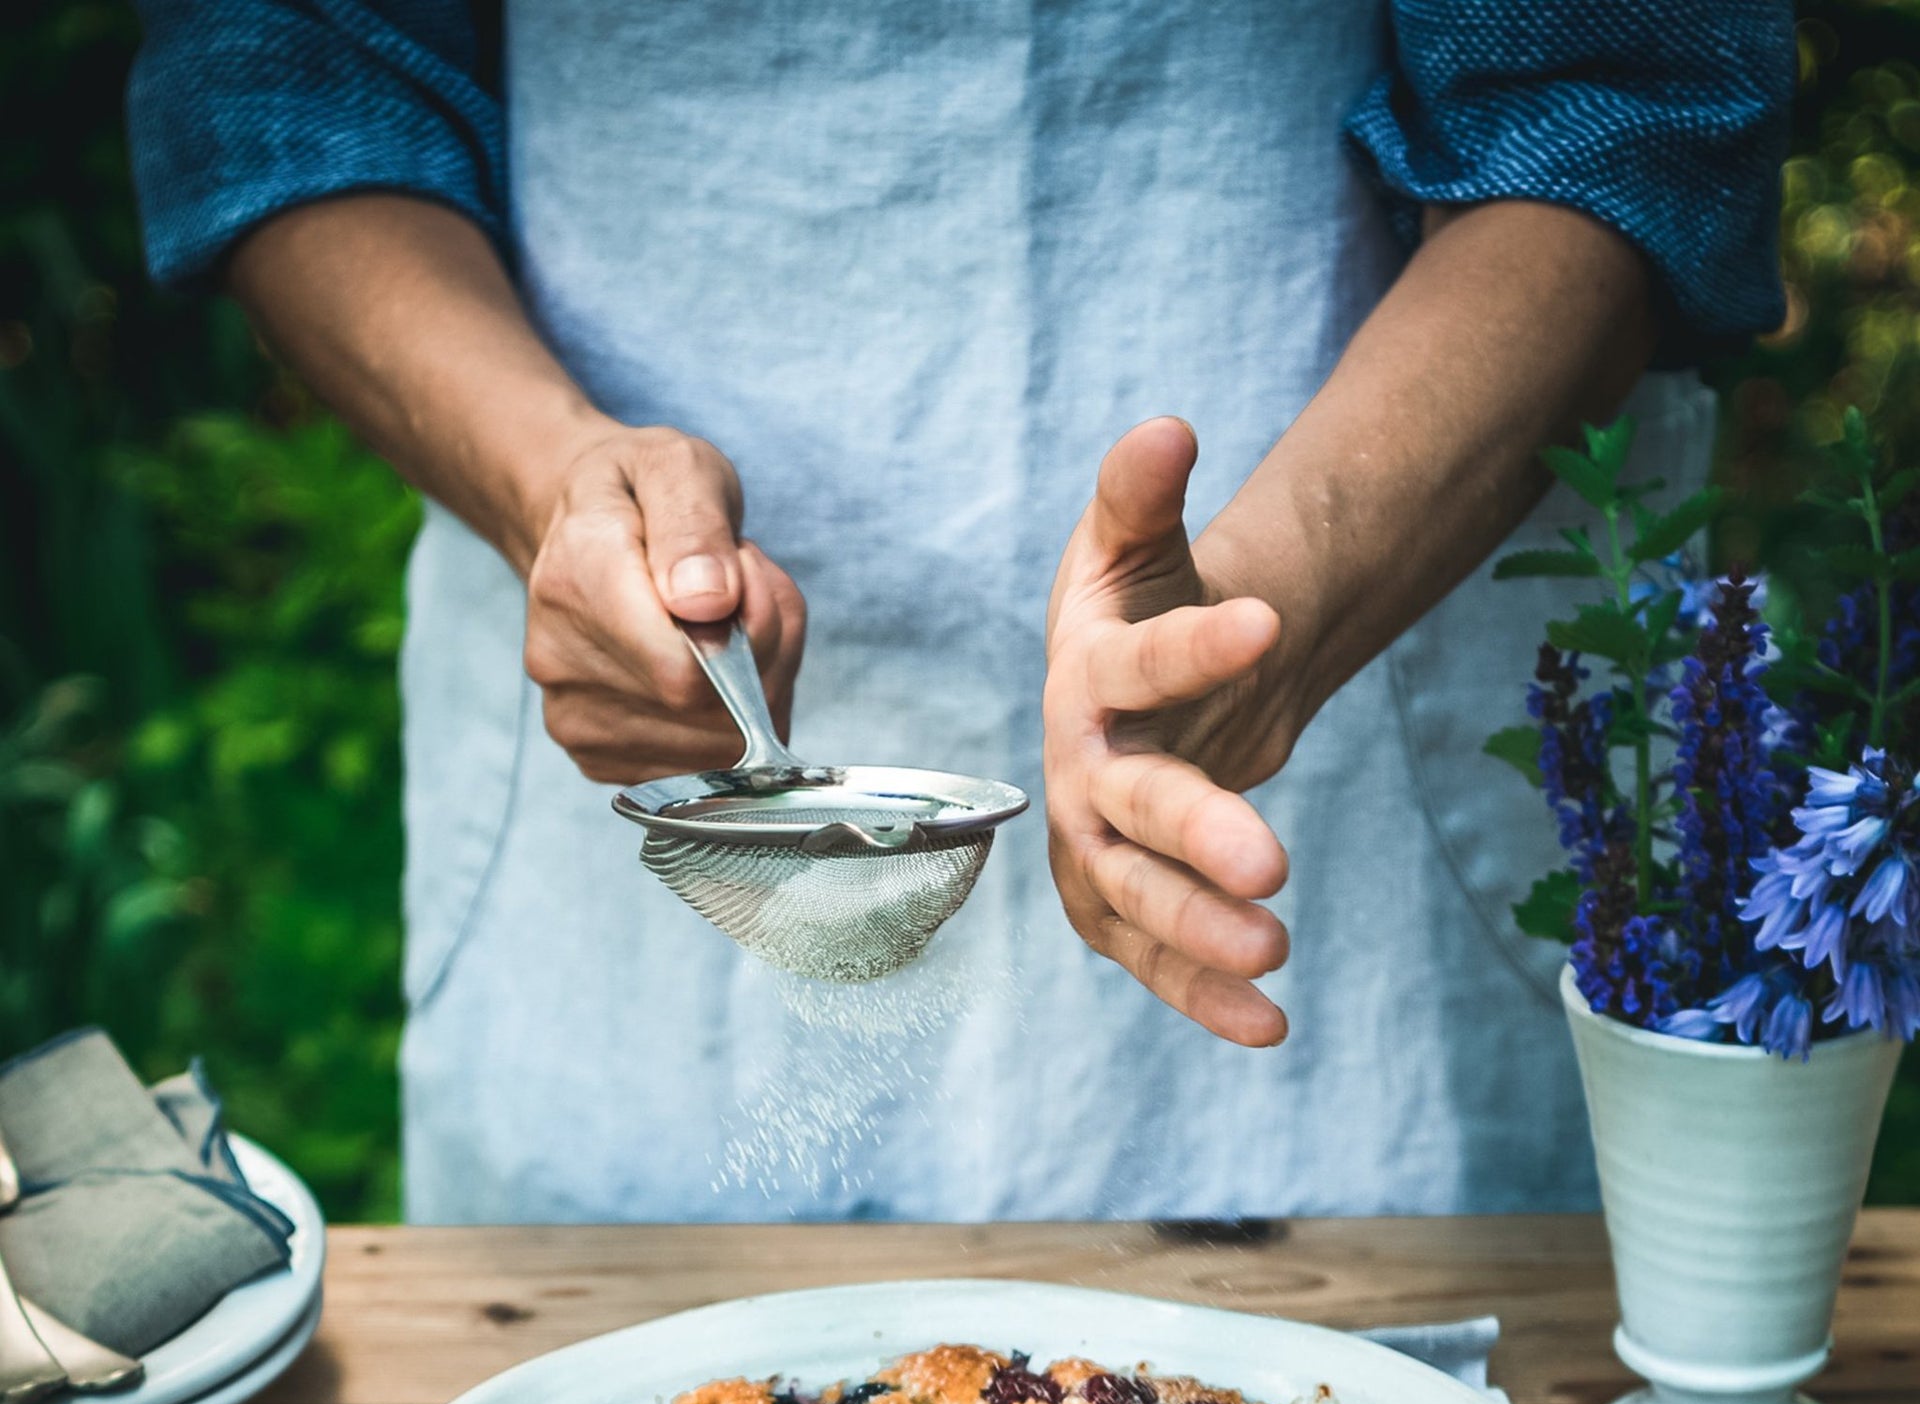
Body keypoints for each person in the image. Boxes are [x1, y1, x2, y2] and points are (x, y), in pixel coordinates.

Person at [126, 2, 1793, 1222]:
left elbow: (1626, 99)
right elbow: (292, 80)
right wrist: (543, 475)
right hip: (626, 836)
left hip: (1361, 682)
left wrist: (1272, 604)